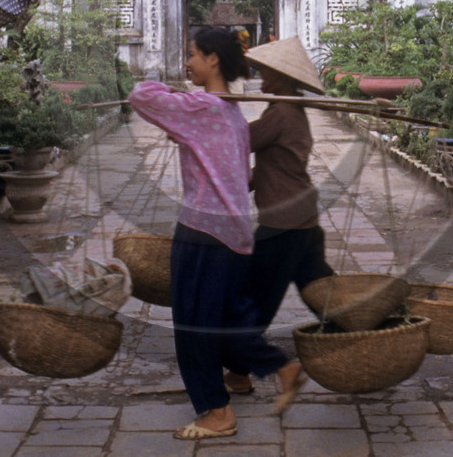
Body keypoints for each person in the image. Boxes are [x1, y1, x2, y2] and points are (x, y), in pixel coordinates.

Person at [127, 27, 305, 441]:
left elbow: (140, 95)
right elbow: (240, 176)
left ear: (213, 60)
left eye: (192, 54)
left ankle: (217, 411)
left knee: (194, 324)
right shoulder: (233, 115)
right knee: (225, 319)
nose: (188, 62)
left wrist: (170, 90)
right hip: (236, 232)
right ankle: (279, 368)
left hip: (203, 230)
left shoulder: (201, 107)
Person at [224, 37, 335, 395]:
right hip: (304, 221)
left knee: (254, 299)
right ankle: (359, 340)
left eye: (267, 72)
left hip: (284, 226)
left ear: (282, 77)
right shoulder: (288, 111)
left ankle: (246, 370)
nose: (262, 77)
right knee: (323, 296)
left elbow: (239, 140)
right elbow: (273, 168)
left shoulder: (282, 113)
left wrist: (202, 121)